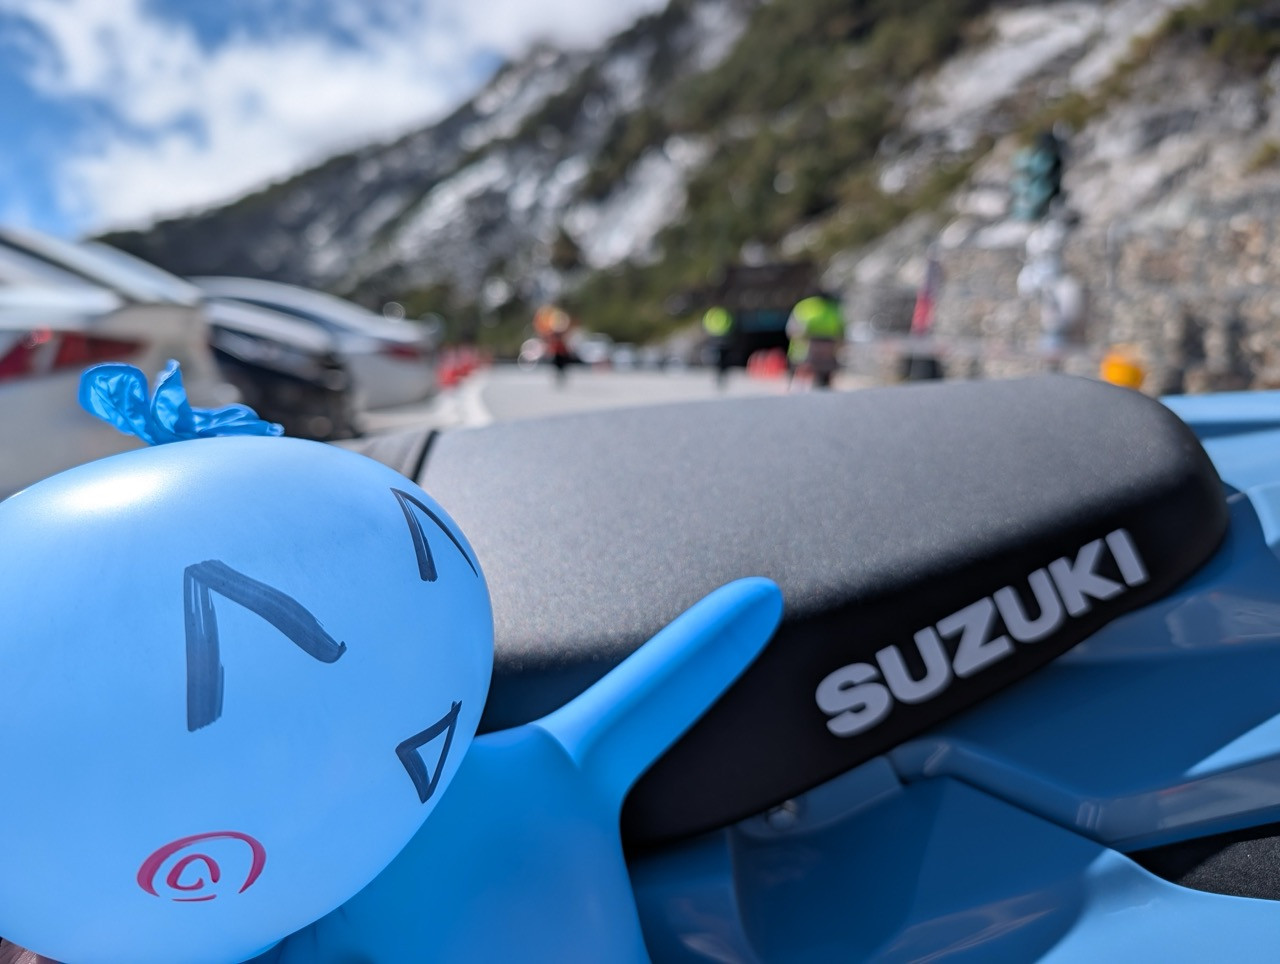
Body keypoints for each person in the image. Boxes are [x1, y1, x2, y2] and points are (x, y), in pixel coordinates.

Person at [786, 292, 845, 389]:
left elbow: (792, 330)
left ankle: (800, 386)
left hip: (808, 344)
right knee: (823, 371)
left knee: (804, 368)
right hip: (828, 345)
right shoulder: (833, 308)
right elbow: (841, 330)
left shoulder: (804, 306)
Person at [702, 305, 733, 387]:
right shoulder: (724, 313)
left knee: (718, 358)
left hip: (715, 337)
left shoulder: (711, 313)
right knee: (721, 358)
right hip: (722, 337)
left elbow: (706, 323)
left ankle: (719, 374)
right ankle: (721, 374)